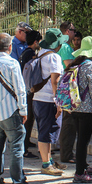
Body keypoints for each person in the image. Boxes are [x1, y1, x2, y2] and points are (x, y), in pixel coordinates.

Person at [0, 33, 38, 184]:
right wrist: (24, 110)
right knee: (17, 147)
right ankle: (18, 181)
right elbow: (20, 89)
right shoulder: (12, 64)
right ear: (10, 47)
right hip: (12, 112)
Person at [34, 28, 69, 176]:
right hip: (49, 99)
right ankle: (45, 164)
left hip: (38, 98)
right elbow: (55, 81)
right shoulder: (53, 57)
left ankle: (49, 161)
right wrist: (58, 102)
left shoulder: (40, 55)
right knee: (46, 132)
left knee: (45, 131)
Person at [69, 36, 92, 182]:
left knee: (80, 139)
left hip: (75, 108)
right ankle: (79, 173)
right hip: (87, 109)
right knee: (84, 141)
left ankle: (83, 166)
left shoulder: (76, 64)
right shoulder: (90, 66)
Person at [57, 21, 78, 164]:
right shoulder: (65, 47)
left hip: (64, 89)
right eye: (73, 30)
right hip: (67, 90)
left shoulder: (63, 46)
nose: (74, 32)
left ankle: (66, 152)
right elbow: (70, 67)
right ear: (66, 31)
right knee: (68, 123)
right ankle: (66, 154)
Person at [19, 30, 41, 158]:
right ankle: (24, 149)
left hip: (24, 89)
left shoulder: (24, 53)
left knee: (28, 119)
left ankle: (25, 143)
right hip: (30, 91)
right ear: (35, 41)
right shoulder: (31, 54)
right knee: (29, 119)